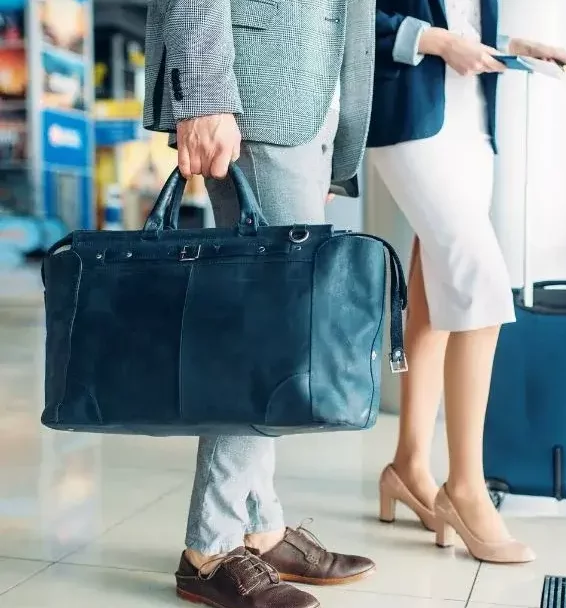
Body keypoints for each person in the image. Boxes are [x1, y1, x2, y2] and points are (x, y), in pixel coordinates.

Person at [143, 1, 377, 606]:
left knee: (272, 328)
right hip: (250, 90)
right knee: (271, 333)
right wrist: (202, 98)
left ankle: (260, 526)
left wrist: (335, 141)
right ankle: (210, 548)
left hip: (307, 97)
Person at [368, 0, 566, 563]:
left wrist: (517, 48)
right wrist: (436, 42)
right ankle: (464, 488)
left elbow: (466, 23)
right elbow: (353, 19)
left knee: (440, 285)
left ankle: (408, 464)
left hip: (473, 121)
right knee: (481, 288)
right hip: (409, 115)